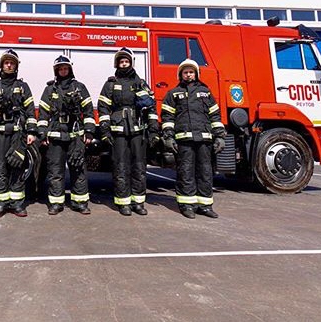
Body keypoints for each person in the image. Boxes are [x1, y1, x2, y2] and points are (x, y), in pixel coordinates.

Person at [161, 58, 226, 219]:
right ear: (180, 75)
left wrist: (220, 136)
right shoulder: (173, 94)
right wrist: (168, 137)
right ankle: (187, 205)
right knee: (186, 172)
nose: (188, 75)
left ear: (196, 74)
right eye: (185, 72)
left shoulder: (206, 92)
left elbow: (215, 115)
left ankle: (205, 206)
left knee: (205, 172)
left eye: (191, 72)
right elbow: (167, 117)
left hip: (204, 139)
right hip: (184, 140)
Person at [97, 47, 159, 216]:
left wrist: (154, 131)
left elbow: (151, 107)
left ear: (131, 63)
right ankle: (123, 202)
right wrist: (105, 131)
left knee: (139, 166)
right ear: (117, 64)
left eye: (126, 61)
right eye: (121, 62)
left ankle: (138, 202)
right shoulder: (111, 84)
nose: (124, 64)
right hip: (118, 131)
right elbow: (103, 108)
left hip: (138, 130)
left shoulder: (140, 83)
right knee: (120, 167)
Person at [0, 49, 38, 218]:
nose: (9, 65)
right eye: (6, 63)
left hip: (17, 134)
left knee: (18, 166)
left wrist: (31, 131)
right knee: (0, 168)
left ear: (16, 66)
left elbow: (30, 110)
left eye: (12, 63)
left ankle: (17, 204)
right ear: (2, 65)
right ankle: (0, 204)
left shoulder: (23, 87)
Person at [38, 55, 95, 215]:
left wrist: (89, 131)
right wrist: (42, 134)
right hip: (56, 135)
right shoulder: (50, 89)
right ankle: (56, 203)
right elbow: (43, 114)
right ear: (56, 71)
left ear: (70, 70)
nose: (63, 71)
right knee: (56, 171)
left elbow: (88, 111)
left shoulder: (79, 88)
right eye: (60, 69)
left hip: (75, 135)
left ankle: (80, 203)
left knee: (78, 169)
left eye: (65, 68)